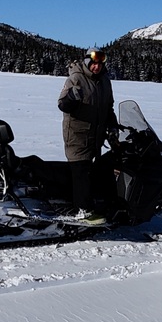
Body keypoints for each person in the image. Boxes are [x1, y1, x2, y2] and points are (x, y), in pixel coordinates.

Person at [57, 49, 115, 221]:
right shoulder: (76, 78)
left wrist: (112, 127)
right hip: (77, 135)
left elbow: (109, 108)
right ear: (87, 63)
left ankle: (101, 204)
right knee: (81, 171)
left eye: (100, 64)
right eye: (93, 64)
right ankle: (83, 211)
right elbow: (62, 104)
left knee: (97, 171)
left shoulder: (105, 81)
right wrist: (72, 98)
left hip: (96, 136)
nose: (96, 67)